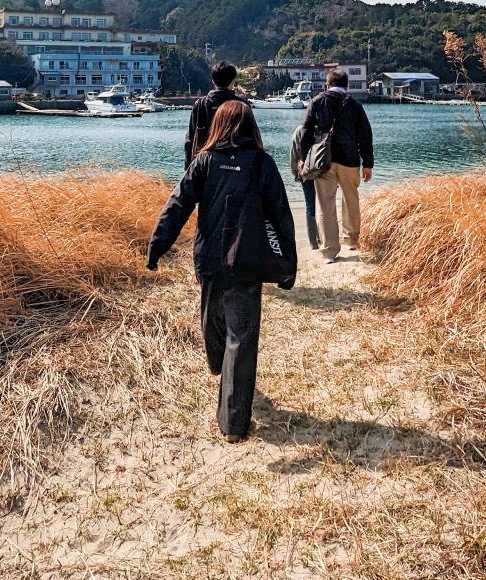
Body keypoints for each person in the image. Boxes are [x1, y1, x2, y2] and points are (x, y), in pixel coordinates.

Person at [148, 99, 296, 442]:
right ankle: (225, 379)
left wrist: (157, 248)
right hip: (246, 262)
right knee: (238, 337)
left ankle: (231, 419)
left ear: (217, 126)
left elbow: (176, 207)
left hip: (211, 262)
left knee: (217, 323)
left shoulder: (205, 162)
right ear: (251, 127)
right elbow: (281, 219)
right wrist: (287, 265)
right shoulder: (261, 164)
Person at [300, 69, 374, 262]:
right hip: (349, 159)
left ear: (327, 84)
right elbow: (365, 135)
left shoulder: (317, 102)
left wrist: (302, 158)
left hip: (323, 161)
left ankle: (329, 251)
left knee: (326, 206)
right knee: (351, 200)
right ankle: (351, 240)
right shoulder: (355, 105)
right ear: (347, 85)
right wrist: (368, 163)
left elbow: (306, 131)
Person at [184, 61, 242, 171]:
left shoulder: (201, 104)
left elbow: (190, 139)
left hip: (203, 166)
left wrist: (188, 170)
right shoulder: (241, 105)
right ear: (233, 81)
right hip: (235, 167)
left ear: (213, 81)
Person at [288, 118, 321, 251]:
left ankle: (313, 242)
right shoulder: (325, 130)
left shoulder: (299, 130)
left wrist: (296, 173)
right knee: (325, 207)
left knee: (310, 206)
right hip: (323, 173)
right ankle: (324, 238)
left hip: (306, 174)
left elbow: (293, 154)